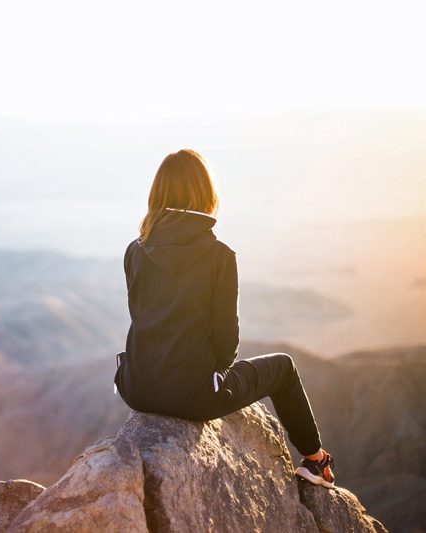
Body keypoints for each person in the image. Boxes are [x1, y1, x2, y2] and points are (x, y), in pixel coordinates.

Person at [113, 149, 335, 488]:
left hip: (135, 387)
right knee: (285, 368)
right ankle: (316, 461)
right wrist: (209, 378)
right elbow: (227, 344)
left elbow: (143, 317)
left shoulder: (135, 249)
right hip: (195, 396)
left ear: (157, 194)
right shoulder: (219, 256)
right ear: (205, 194)